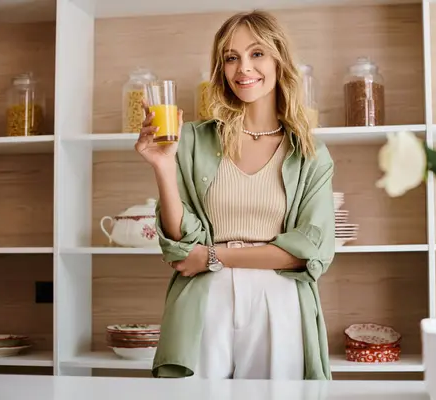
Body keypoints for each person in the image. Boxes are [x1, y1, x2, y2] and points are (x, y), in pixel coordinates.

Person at [134, 9, 336, 380]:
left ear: (279, 60)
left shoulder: (310, 153)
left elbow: (309, 253)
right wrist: (162, 166)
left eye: (257, 53)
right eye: (231, 57)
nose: (244, 68)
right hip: (204, 299)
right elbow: (180, 245)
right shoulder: (192, 139)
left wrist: (210, 256)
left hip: (278, 299)